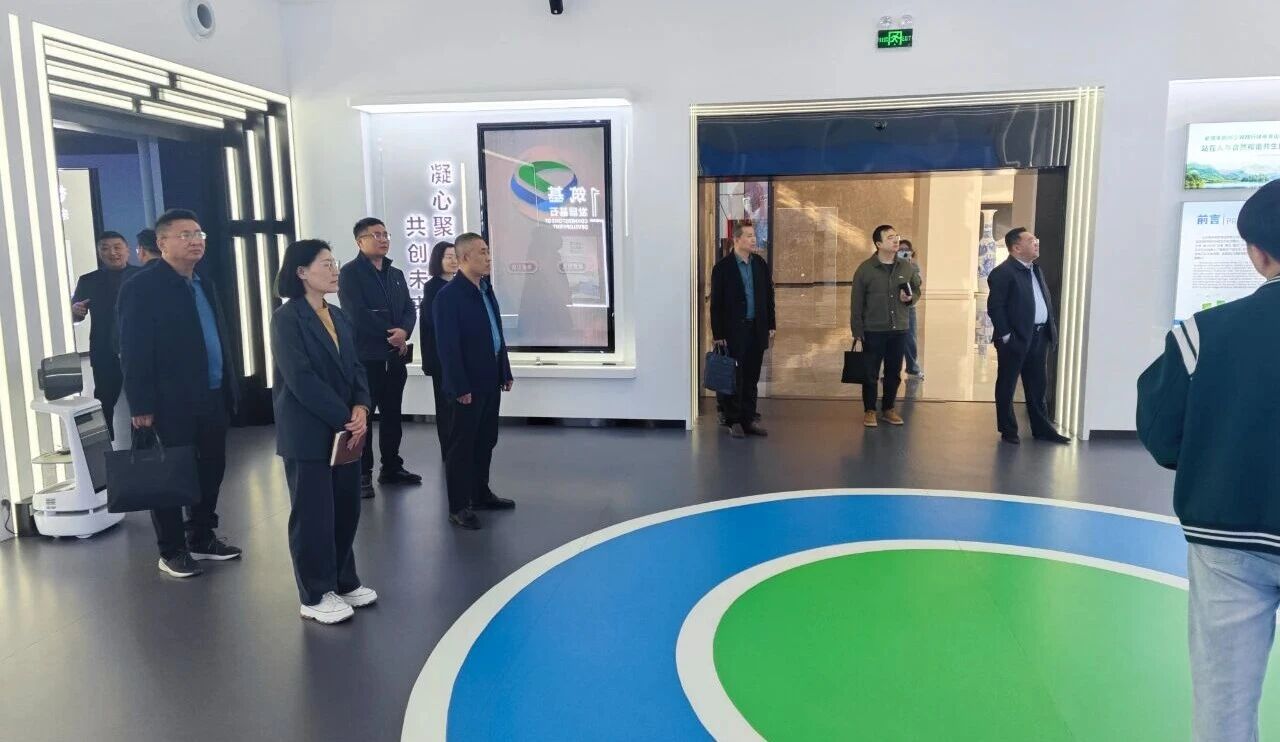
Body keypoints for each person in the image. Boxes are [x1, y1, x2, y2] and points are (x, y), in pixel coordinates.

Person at [1137, 180, 1280, 742]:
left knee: (1224, 709)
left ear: (1258, 254)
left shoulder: (1204, 334)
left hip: (1227, 537)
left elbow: (1161, 433)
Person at [118, 209, 241, 578]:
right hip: (169, 401)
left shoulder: (203, 282)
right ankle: (171, 549)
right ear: (162, 243)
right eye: (184, 234)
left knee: (212, 468)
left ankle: (201, 536)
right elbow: (133, 348)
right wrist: (141, 404)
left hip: (212, 393)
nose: (195, 240)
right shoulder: (142, 287)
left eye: (198, 233)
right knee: (169, 474)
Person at [271, 239, 376, 625]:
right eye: (326, 264)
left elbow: (356, 367)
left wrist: (362, 406)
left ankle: (343, 580)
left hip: (346, 429)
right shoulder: (287, 318)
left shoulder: (339, 315)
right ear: (301, 272)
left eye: (334, 263)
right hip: (308, 431)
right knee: (313, 513)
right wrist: (346, 417)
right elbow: (301, 378)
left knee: (346, 508)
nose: (335, 271)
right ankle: (315, 593)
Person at [433, 233, 516, 530]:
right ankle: (458, 506)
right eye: (482, 252)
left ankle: (480, 494)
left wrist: (504, 370)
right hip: (466, 385)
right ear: (465, 258)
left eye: (488, 251)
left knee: (486, 439)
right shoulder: (448, 297)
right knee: (461, 446)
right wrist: (459, 386)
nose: (489, 257)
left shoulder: (485, 289)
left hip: (490, 378)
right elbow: (448, 347)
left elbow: (497, 335)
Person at [338, 217, 420, 498]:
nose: (383, 239)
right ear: (360, 241)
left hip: (395, 357)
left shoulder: (395, 274)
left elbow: (409, 308)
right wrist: (391, 334)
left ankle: (392, 467)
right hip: (366, 358)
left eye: (385, 234)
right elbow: (356, 314)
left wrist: (404, 331)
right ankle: (362, 473)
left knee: (393, 414)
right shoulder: (350, 274)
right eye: (376, 235)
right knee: (364, 415)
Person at [986, 228, 1070, 445]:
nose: (1036, 243)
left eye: (1036, 239)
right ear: (1016, 247)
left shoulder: (1036, 270)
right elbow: (995, 307)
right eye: (1031, 240)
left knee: (1037, 386)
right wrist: (1007, 336)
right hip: (1015, 339)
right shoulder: (1003, 272)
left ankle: (1042, 429)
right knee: (1007, 385)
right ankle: (1008, 430)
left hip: (1039, 337)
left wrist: (1050, 331)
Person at [850, 225, 921, 428]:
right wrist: (857, 330)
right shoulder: (865, 269)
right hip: (873, 330)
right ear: (878, 244)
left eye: (896, 236)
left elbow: (917, 290)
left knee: (894, 371)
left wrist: (910, 298)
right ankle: (870, 410)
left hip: (899, 329)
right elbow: (856, 302)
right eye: (890, 237)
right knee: (870, 372)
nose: (896, 240)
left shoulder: (906, 267)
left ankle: (888, 408)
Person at [709, 222, 775, 439]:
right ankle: (733, 420)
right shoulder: (723, 268)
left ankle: (748, 419)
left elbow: (768, 297)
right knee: (734, 377)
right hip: (733, 331)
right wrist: (718, 334)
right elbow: (716, 304)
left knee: (752, 376)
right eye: (748, 235)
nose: (754, 239)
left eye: (754, 235)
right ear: (736, 239)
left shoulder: (760, 265)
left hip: (757, 329)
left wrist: (771, 324)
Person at [71, 231, 139, 438]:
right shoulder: (88, 280)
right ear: (99, 253)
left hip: (138, 349)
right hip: (104, 351)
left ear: (127, 250)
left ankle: (142, 448)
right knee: (104, 400)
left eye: (117, 247)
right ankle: (105, 445)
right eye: (105, 248)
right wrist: (75, 312)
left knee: (141, 400)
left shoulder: (142, 276)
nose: (112, 252)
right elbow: (75, 315)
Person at [419, 240, 457, 460]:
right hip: (441, 357)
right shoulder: (432, 286)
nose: (453, 261)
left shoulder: (460, 284)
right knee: (445, 406)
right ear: (438, 260)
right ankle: (448, 451)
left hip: (458, 356)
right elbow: (434, 323)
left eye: (455, 256)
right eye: (448, 257)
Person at [898, 238, 924, 378]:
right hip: (894, 307)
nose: (903, 252)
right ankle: (889, 371)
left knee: (910, 339)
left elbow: (917, 285)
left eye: (906, 250)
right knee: (892, 340)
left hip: (909, 307)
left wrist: (909, 267)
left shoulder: (913, 267)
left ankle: (912, 368)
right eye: (900, 250)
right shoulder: (892, 266)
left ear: (911, 252)